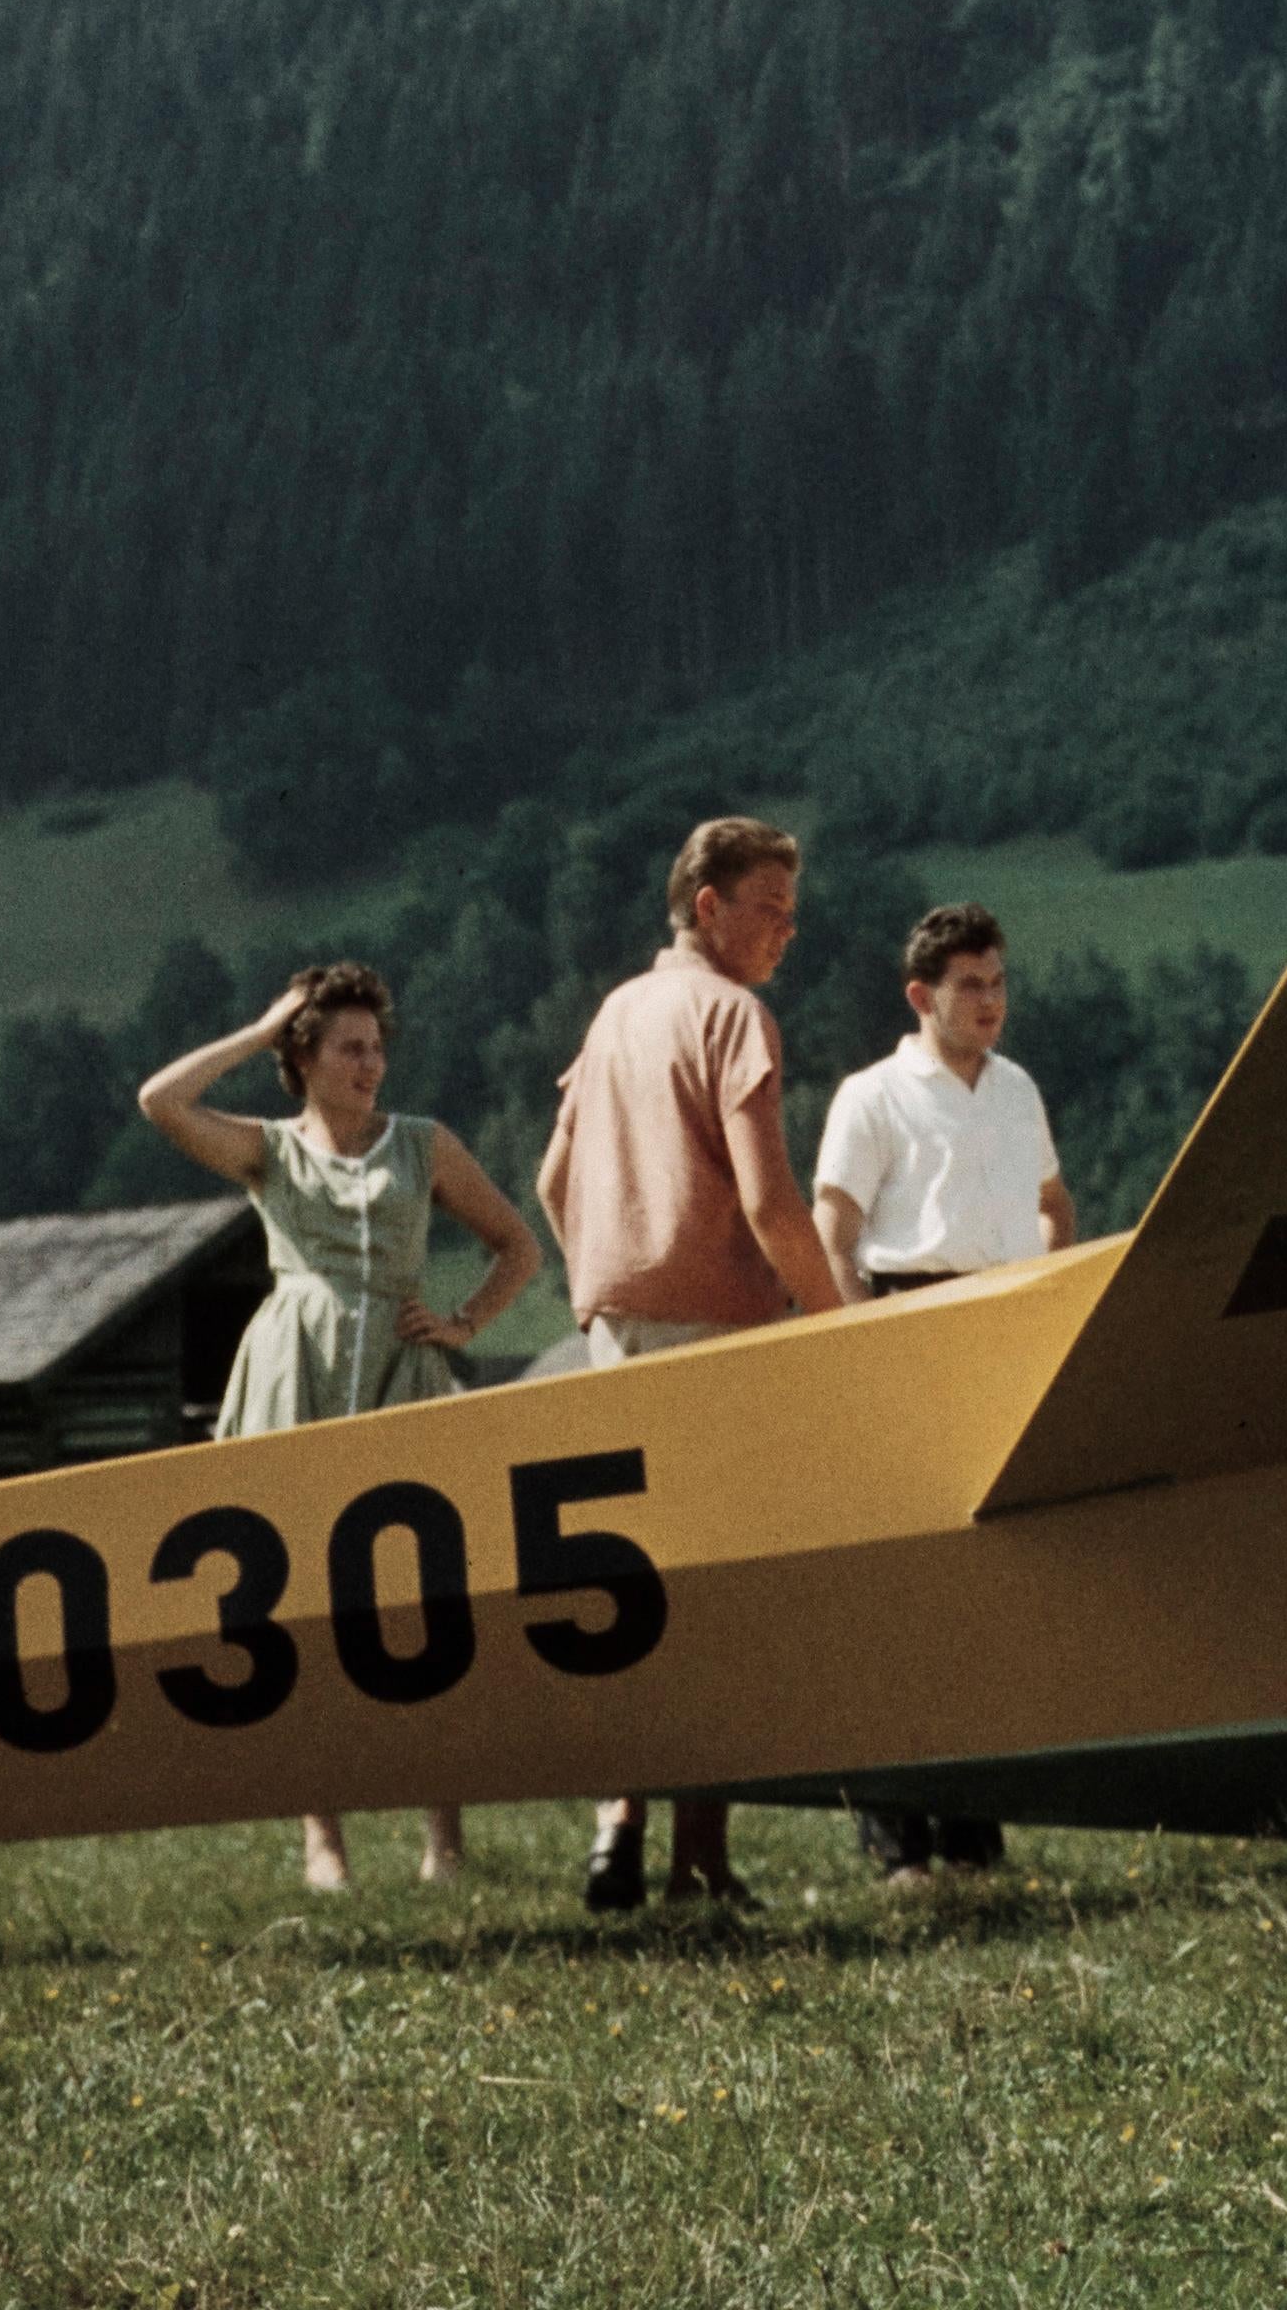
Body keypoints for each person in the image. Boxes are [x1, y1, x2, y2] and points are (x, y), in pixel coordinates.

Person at [140, 957, 540, 1892]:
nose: (368, 1066)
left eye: (376, 1049)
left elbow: (517, 1244)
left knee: (425, 1603)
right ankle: (323, 1837)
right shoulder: (267, 1150)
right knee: (294, 1608)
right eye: (347, 1049)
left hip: (403, 1371)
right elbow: (161, 1099)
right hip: (294, 1371)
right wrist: (261, 1025)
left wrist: (462, 1323)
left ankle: (443, 1838)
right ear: (305, 1058)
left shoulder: (422, 1144)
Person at [538, 815, 846, 1914]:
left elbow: (550, 1176)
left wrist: (606, 1273)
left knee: (639, 1595)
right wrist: (842, 1319)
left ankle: (616, 1821)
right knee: (723, 1606)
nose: (785, 934)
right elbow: (770, 1204)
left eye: (792, 915)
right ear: (706, 906)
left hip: (616, 1333)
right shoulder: (732, 1015)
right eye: (768, 909)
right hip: (717, 1336)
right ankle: (697, 1862)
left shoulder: (617, 1011)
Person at [809, 901, 1074, 1878]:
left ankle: (974, 1834)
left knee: (986, 1585)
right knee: (899, 1594)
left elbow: (1052, 1206)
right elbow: (830, 1233)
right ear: (922, 995)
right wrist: (866, 1345)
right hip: (903, 1321)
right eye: (970, 984)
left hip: (1002, 1324)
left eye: (998, 981)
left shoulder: (1015, 1090)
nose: (990, 1000)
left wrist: (1044, 1304)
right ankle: (895, 1842)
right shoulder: (872, 1096)